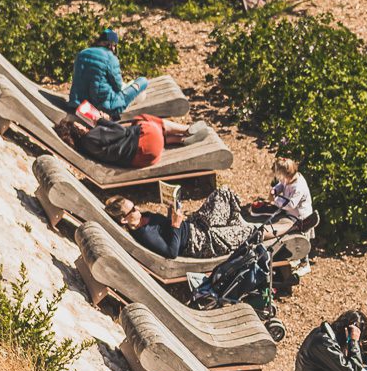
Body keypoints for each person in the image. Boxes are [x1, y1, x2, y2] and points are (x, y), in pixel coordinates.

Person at [105, 186, 250, 260]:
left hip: (195, 225)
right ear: (124, 219)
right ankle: (237, 228)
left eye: (135, 205)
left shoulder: (144, 217)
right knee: (248, 232)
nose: (137, 209)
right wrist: (176, 225)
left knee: (223, 192)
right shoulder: (145, 234)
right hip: (202, 242)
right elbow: (171, 252)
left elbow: (165, 229)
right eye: (133, 209)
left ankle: (233, 225)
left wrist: (171, 211)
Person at [54, 111, 193, 169]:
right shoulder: (91, 137)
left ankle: (178, 140)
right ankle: (185, 130)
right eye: (77, 124)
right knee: (143, 119)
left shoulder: (85, 147)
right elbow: (120, 131)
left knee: (144, 130)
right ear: (75, 129)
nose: (81, 124)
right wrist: (102, 120)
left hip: (146, 158)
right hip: (145, 145)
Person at [70, 29, 148, 117]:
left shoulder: (82, 53)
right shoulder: (110, 57)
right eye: (114, 45)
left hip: (78, 103)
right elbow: (118, 86)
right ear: (111, 44)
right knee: (143, 81)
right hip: (105, 107)